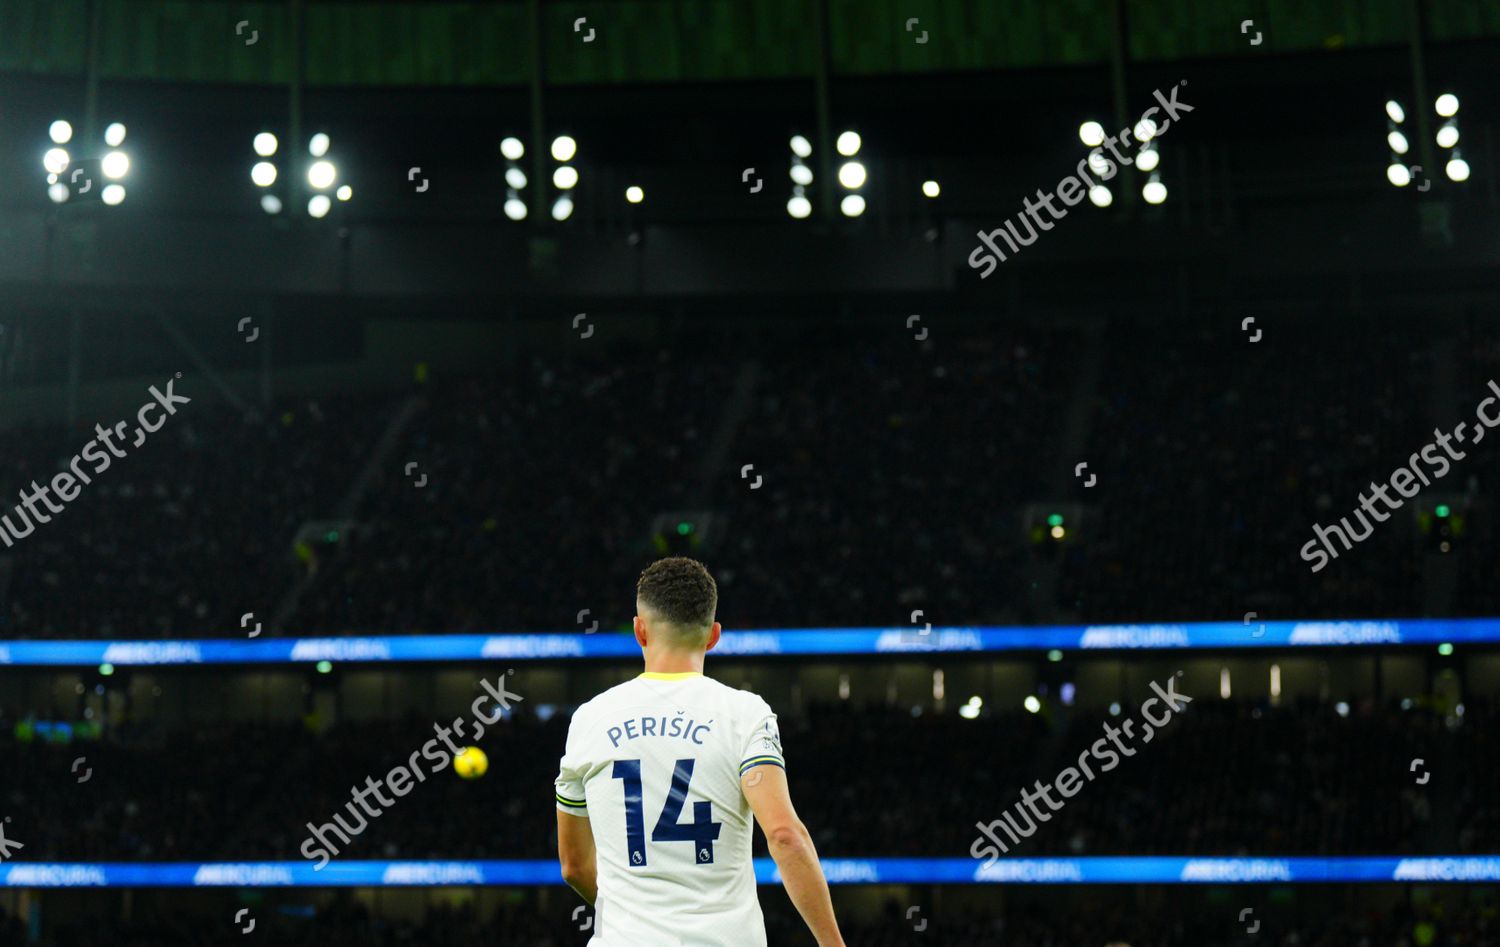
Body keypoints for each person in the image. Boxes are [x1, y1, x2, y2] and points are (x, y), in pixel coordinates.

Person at [555, 557, 845, 947]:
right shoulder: (745, 715)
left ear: (640, 631)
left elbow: (573, 866)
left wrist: (629, 918)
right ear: (713, 636)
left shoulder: (589, 720)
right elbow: (784, 836)